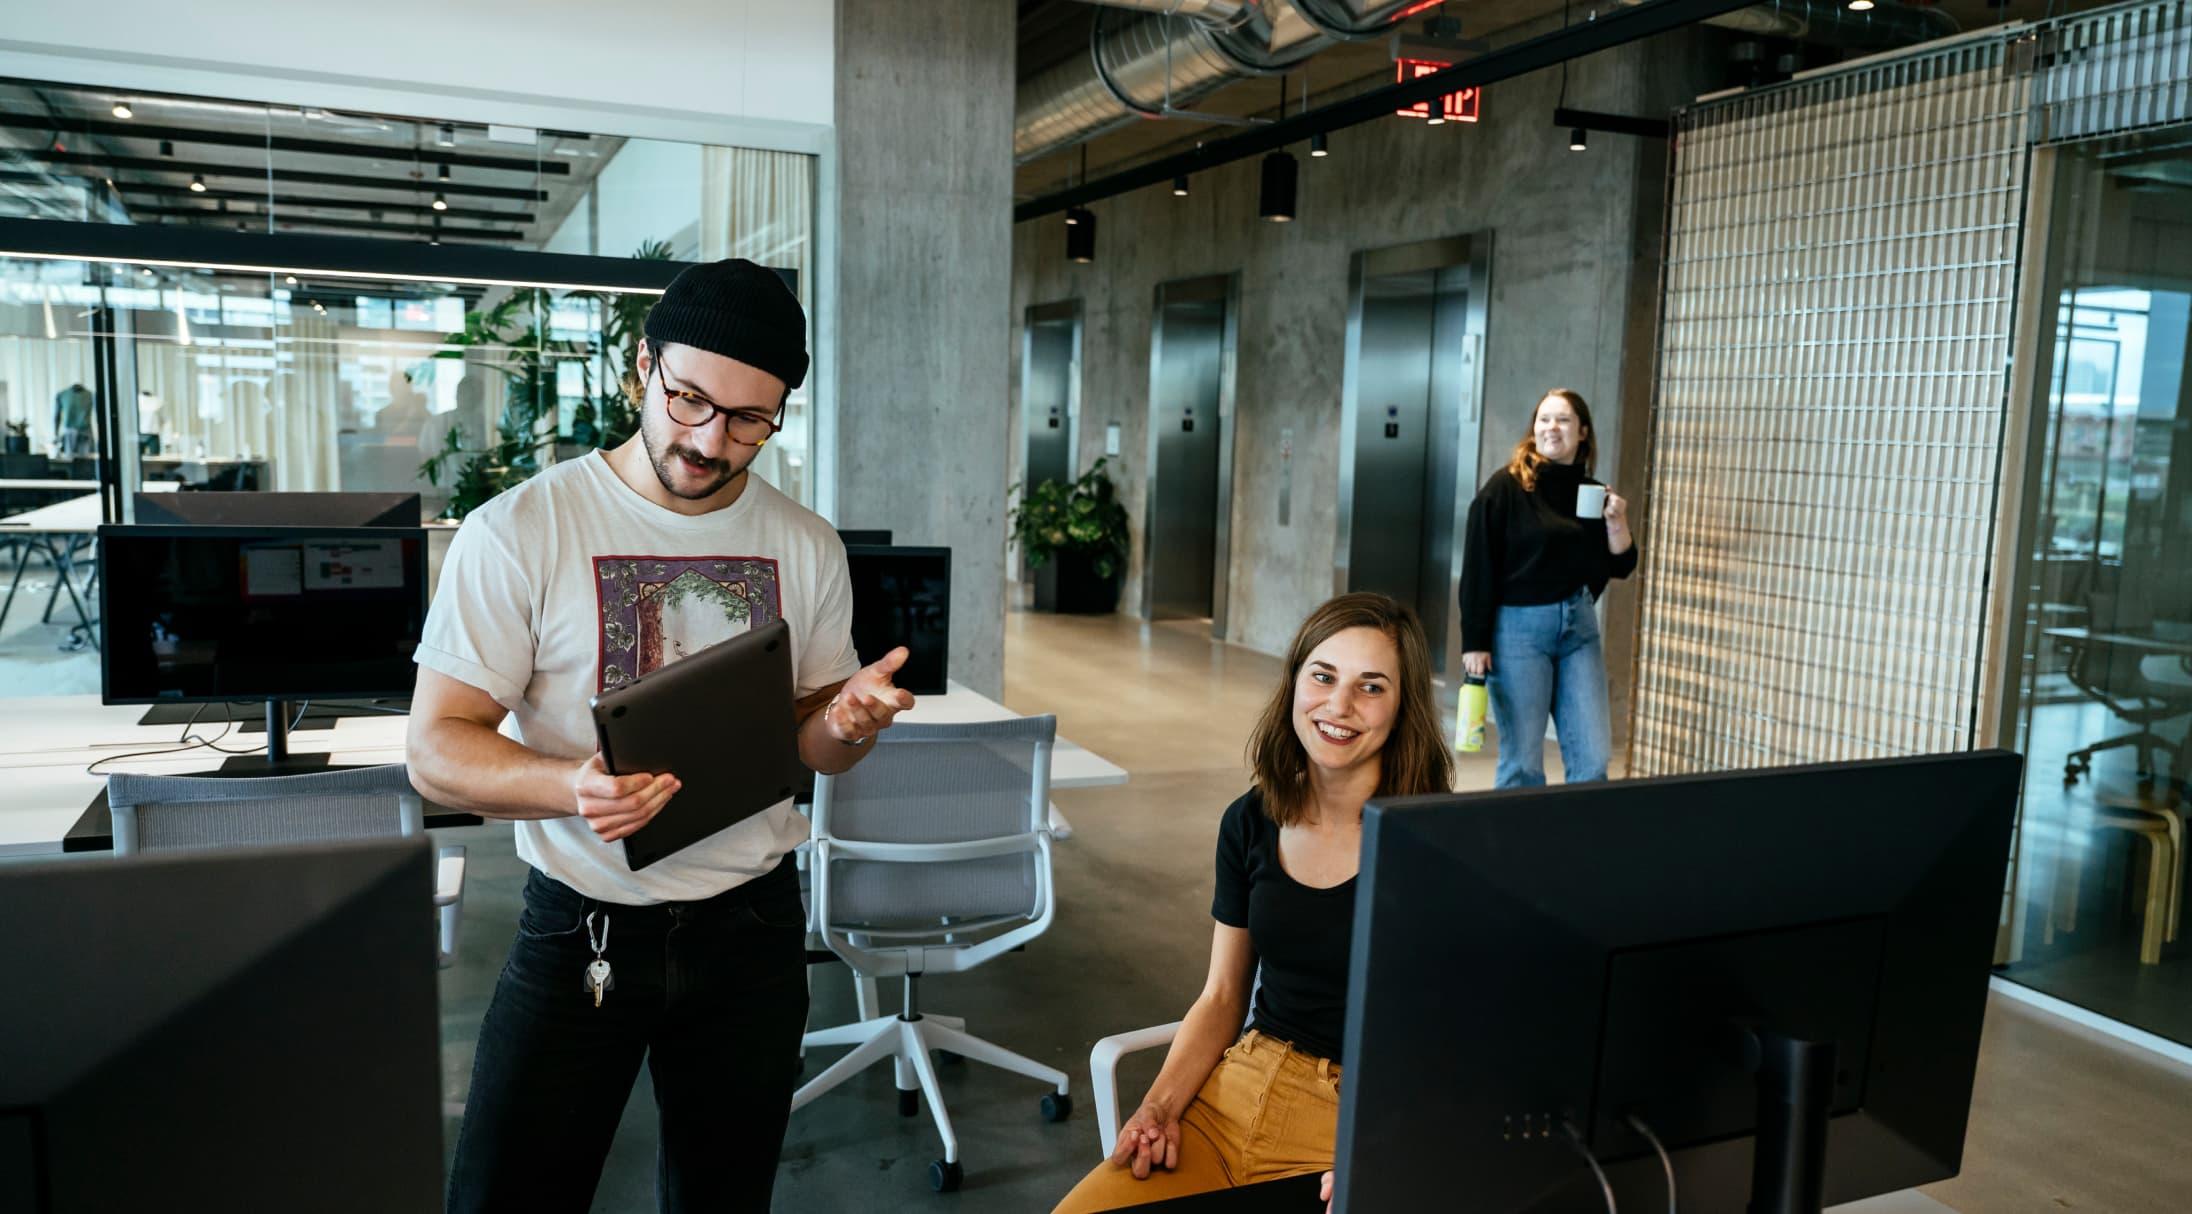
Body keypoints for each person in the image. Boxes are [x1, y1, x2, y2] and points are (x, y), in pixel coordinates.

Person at [407, 259, 914, 1214]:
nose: (711, 440)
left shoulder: (806, 545)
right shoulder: (520, 529)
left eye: (749, 420)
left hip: (754, 930)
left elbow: (812, 742)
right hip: (580, 928)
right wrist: (571, 786)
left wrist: (844, 725)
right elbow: (436, 748)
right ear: (641, 367)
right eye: (688, 400)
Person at [1052, 593, 1454, 1213]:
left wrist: (1385, 1140)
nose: (1339, 706)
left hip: (1354, 1119)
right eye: (1323, 676)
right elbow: (1221, 996)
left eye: (1370, 687)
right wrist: (1158, 1108)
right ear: (1295, 681)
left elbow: (1452, 1034)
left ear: (1403, 708)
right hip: (1235, 1094)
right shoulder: (1250, 819)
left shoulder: (1433, 840)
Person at [1459, 388, 1637, 788]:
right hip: (1518, 632)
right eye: (1544, 419)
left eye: (1563, 420)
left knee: (1592, 763)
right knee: (1522, 764)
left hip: (1579, 629)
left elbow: (1622, 565)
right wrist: (1475, 640)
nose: (1551, 428)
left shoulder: (1592, 493)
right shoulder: (1506, 488)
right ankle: (1515, 850)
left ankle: (1579, 849)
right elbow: (1478, 567)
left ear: (1583, 432)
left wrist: (1616, 522)